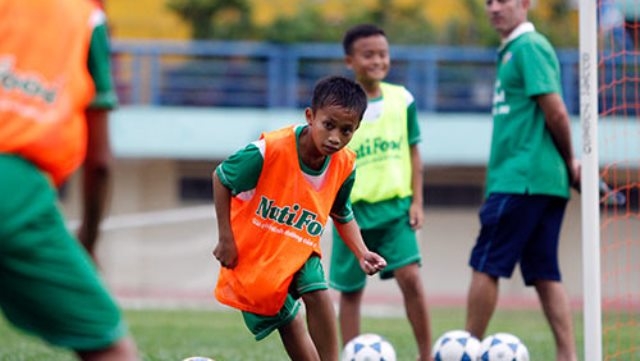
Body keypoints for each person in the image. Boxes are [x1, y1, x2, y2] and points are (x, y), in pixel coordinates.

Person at [212, 75, 387, 361]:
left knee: (317, 291)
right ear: (310, 116)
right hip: (255, 254)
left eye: (346, 131)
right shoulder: (269, 150)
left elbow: (341, 213)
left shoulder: (344, 165)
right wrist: (226, 238)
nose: (335, 138)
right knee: (290, 324)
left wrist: (362, 251)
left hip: (298, 246)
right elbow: (221, 178)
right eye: (328, 125)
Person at [0, 0, 139, 360]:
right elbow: (100, 161)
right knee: (107, 344)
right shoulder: (86, 15)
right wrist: (89, 240)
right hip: (12, 188)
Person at [464, 1, 580, 361]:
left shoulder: (529, 46)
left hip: (522, 179)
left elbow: (556, 110)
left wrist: (570, 159)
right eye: (489, 1)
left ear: (526, 3)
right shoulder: (511, 50)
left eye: (504, 0)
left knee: (486, 262)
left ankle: (465, 349)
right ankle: (568, 355)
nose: (495, 7)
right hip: (540, 181)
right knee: (544, 270)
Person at [329, 24, 433, 361]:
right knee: (350, 291)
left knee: (411, 279)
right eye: (368, 54)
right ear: (350, 60)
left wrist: (417, 200)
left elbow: (415, 152)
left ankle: (426, 354)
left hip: (395, 210)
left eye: (383, 54)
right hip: (351, 214)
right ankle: (350, 354)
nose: (377, 60)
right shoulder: (339, 108)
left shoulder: (402, 99)